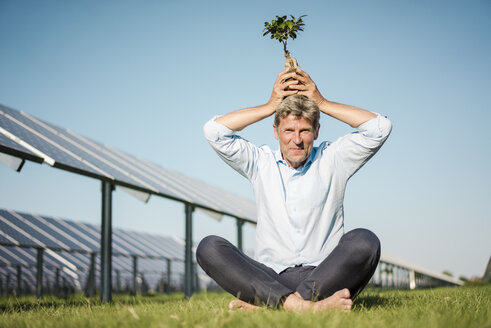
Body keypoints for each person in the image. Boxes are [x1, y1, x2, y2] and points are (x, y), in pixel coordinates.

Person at [197, 68, 392, 312]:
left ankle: (274, 307)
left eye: (305, 131)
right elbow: (214, 132)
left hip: (326, 274)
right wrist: (270, 106)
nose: (296, 140)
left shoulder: (334, 158)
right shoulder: (260, 162)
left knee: (366, 241)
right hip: (271, 276)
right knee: (209, 247)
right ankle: (305, 307)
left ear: (317, 132)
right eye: (288, 130)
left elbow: (380, 127)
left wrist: (322, 102)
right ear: (276, 131)